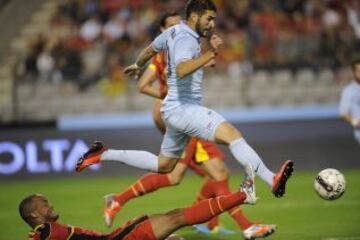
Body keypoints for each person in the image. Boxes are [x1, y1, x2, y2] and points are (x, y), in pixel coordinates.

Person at [77, 0, 293, 199]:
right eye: (209, 18)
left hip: (172, 110)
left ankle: (103, 154)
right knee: (233, 135)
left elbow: (151, 49)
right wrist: (211, 54)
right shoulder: (186, 38)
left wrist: (138, 64)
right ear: (194, 16)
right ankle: (270, 178)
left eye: (214, 19)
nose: (212, 24)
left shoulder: (173, 32)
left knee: (163, 165)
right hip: (184, 108)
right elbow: (181, 70)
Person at [99, 11, 276, 239]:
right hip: (182, 116)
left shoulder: (181, 48)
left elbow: (193, 67)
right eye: (172, 26)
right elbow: (143, 85)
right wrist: (168, 93)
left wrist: (205, 59)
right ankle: (245, 225)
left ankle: (207, 222)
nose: (178, 29)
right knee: (215, 172)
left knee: (179, 174)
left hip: (183, 114)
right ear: (164, 31)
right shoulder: (162, 57)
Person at [20, 166, 258, 240]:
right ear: (34, 216)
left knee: (175, 220)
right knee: (176, 218)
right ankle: (243, 195)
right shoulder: (43, 232)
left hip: (116, 237)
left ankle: (243, 195)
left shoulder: (46, 231)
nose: (49, 205)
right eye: (43, 204)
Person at [339, 58, 360, 144]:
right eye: (359, 71)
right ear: (354, 72)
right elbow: (343, 114)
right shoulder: (349, 90)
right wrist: (356, 123)